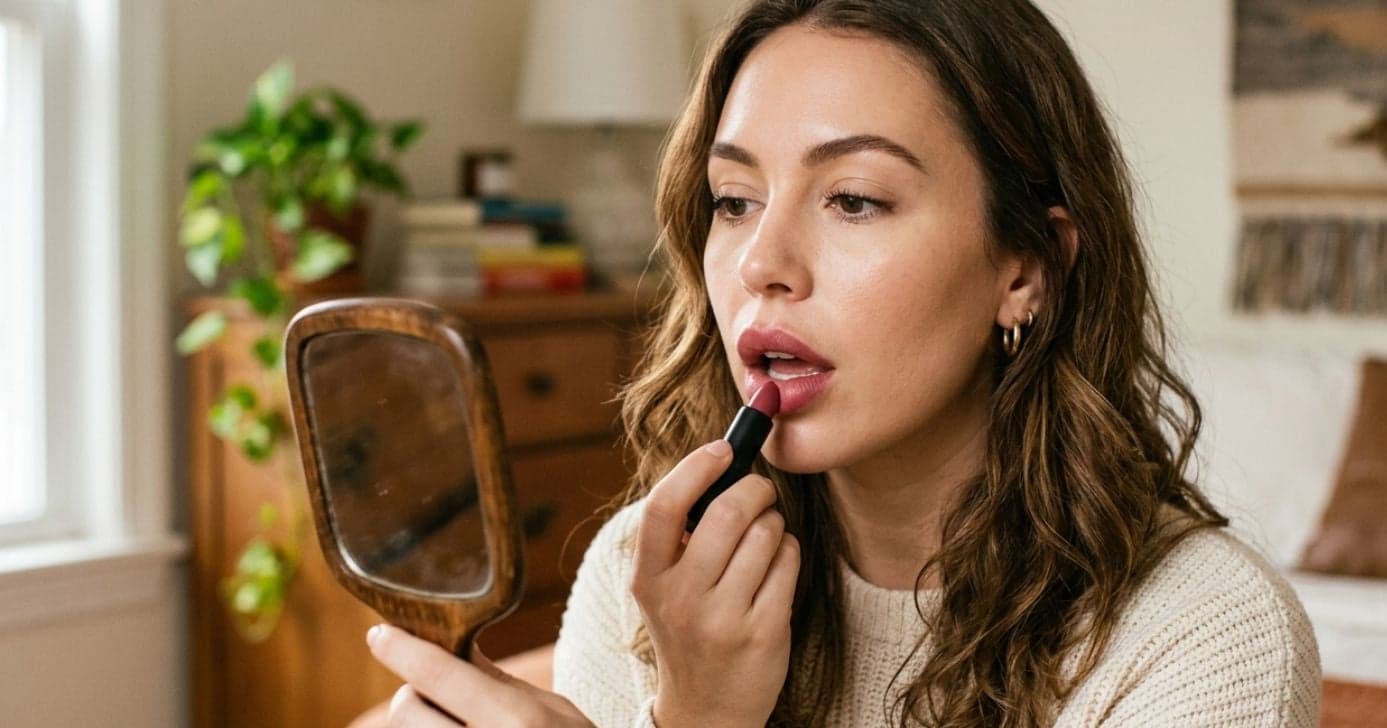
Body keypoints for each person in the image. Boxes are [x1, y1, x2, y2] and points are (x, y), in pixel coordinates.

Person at [365, 0, 1322, 725]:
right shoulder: (645, 574)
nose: (760, 264)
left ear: (1026, 269)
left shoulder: (1203, 633)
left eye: (854, 199)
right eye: (733, 200)